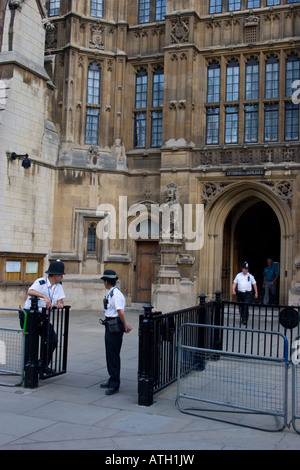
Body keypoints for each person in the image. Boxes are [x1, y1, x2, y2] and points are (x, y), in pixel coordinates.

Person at [22, 259, 66, 374]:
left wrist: (60, 304)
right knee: (31, 342)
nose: (62, 276)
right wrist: (44, 297)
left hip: (43, 317)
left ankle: (43, 364)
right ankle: (28, 368)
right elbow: (30, 291)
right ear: (55, 275)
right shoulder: (40, 282)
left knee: (52, 339)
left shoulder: (58, 285)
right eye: (61, 274)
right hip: (31, 316)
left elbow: (60, 300)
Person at [100, 270, 132, 395]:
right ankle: (111, 378)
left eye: (104, 281)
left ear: (106, 281)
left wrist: (124, 325)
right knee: (110, 353)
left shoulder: (116, 295)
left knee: (113, 354)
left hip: (115, 324)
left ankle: (115, 383)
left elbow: (121, 312)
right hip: (110, 323)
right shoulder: (111, 292)